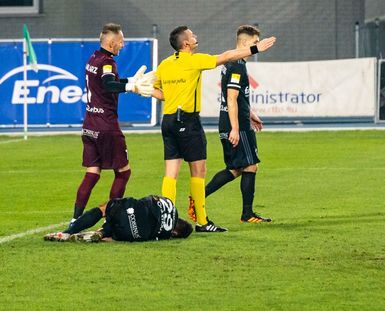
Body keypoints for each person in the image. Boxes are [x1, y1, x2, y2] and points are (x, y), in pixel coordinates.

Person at [151, 25, 276, 233]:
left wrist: (134, 87)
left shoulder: (165, 64)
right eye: (192, 35)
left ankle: (167, 222)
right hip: (188, 121)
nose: (195, 36)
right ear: (186, 43)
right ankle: (202, 221)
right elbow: (226, 56)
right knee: (199, 171)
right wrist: (256, 49)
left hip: (169, 120)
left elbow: (156, 90)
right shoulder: (194, 60)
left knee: (170, 174)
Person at [71, 23, 155, 225]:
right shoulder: (108, 62)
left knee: (92, 173)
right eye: (121, 41)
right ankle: (111, 220)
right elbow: (109, 84)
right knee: (124, 172)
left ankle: (75, 219)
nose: (123, 45)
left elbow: (105, 82)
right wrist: (130, 87)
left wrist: (129, 80)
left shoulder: (93, 58)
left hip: (90, 124)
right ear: (111, 42)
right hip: (106, 126)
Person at [191, 25, 271, 224]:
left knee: (236, 168)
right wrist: (236, 128)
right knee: (250, 166)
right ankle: (246, 214)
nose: (256, 46)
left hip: (233, 121)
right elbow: (232, 98)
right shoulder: (236, 64)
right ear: (244, 43)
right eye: (254, 42)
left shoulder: (233, 62)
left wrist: (251, 114)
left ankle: (198, 198)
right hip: (237, 125)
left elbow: (237, 97)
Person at [45, 195, 192, 242]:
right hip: (134, 234)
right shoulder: (166, 234)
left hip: (133, 210)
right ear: (176, 233)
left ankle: (67, 232)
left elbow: (149, 199)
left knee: (105, 209)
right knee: (121, 231)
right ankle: (101, 234)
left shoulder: (170, 204)